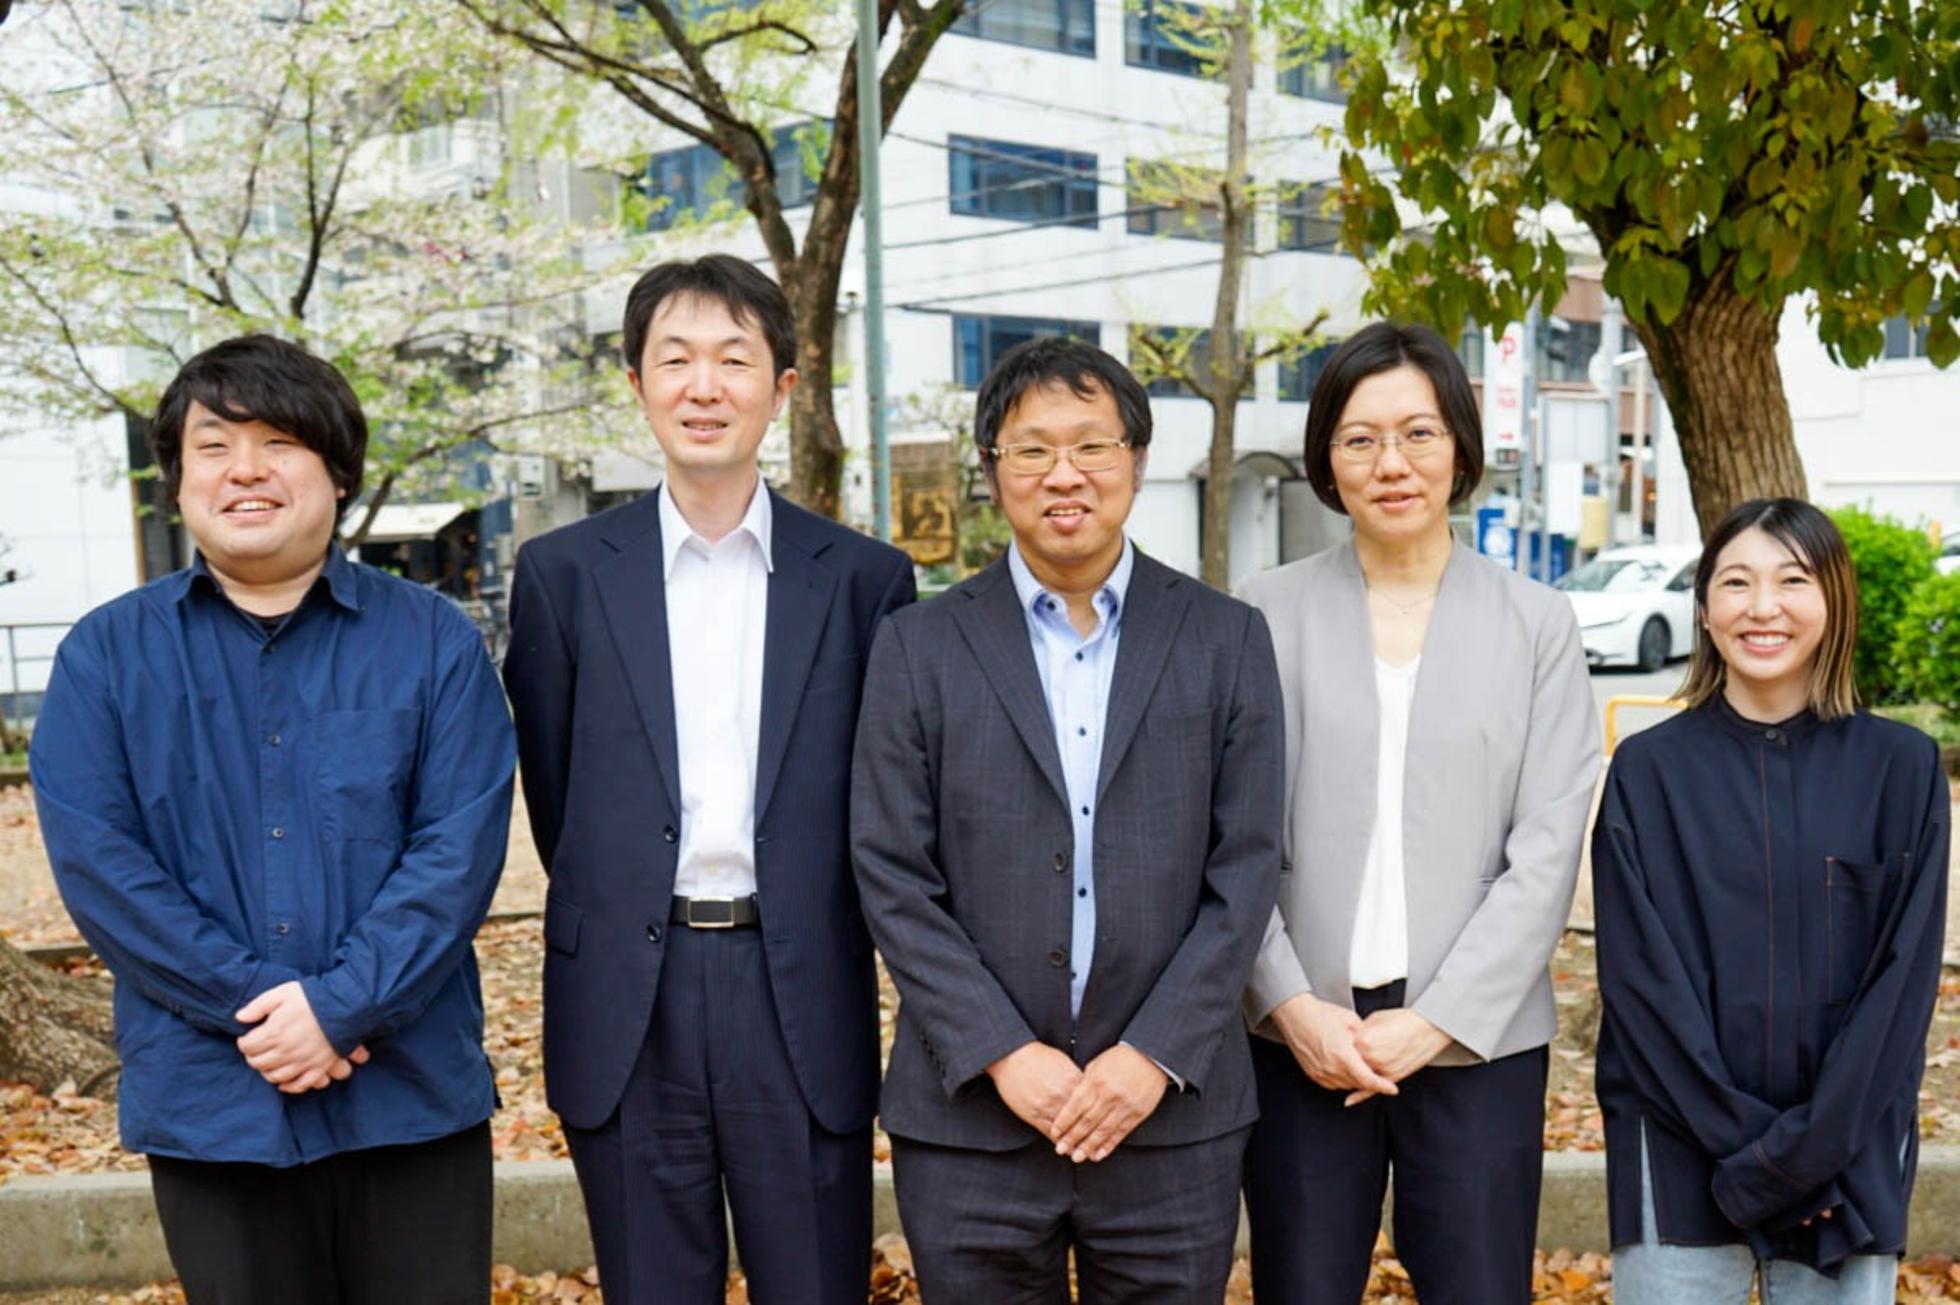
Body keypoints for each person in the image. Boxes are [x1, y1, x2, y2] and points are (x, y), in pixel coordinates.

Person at [30, 335, 515, 1303]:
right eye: (213, 447)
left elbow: (456, 851)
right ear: (178, 483)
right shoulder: (105, 658)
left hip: (409, 1092)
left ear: (336, 472)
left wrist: (340, 1007)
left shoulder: (433, 643)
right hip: (213, 1098)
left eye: (279, 443)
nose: (244, 470)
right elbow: (102, 866)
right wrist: (259, 1006)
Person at [502, 254, 916, 1305]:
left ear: (783, 387)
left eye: (734, 359)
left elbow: (884, 796)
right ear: (636, 383)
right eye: (675, 358)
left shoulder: (863, 581)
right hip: (627, 991)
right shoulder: (563, 575)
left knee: (815, 1281)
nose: (703, 386)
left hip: (799, 982)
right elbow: (557, 792)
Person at [851, 336, 1284, 1301]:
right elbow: (891, 871)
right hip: (974, 1120)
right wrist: (1002, 1053)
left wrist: (1153, 1053)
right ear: (991, 469)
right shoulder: (918, 645)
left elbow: (1248, 866)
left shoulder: (1225, 637)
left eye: (1092, 445)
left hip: (1171, 1118)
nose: (1064, 474)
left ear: (1137, 457)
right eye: (1032, 449)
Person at [1235, 321, 1601, 1304]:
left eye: (1417, 433)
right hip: (1298, 1040)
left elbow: (1547, 847)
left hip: (1479, 1041)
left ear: (1459, 448)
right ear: (1326, 459)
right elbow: (1229, 835)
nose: (1389, 463)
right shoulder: (1261, 613)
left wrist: (1436, 1019)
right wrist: (1289, 1004)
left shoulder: (1536, 623)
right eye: (1359, 439)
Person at [1594, 497, 1949, 1304]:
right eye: (1736, 582)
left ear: (1835, 600)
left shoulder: (1901, 769)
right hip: (1677, 1149)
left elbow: (1901, 991)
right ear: (1704, 609)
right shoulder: (1648, 772)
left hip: (1846, 1159)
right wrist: (1764, 1154)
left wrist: (1810, 1152)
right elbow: (1641, 988)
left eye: (1792, 580)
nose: (1763, 607)